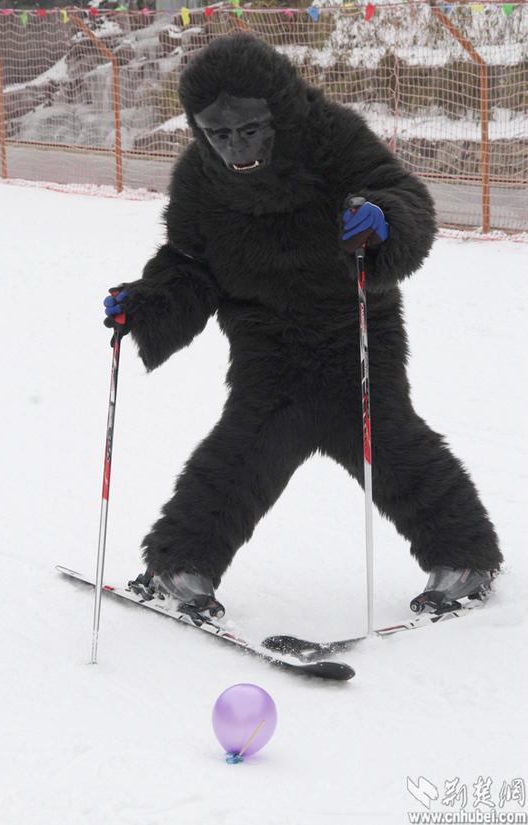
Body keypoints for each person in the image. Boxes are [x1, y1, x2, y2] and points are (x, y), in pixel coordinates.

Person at [104, 34, 501, 619]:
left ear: (279, 112)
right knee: (245, 450)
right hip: (268, 342)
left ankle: (464, 558)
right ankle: (179, 565)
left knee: (388, 443)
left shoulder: (333, 136)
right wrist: (145, 305)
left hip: (354, 331)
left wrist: (382, 221)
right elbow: (190, 261)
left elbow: (401, 194)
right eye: (218, 134)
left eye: (250, 129)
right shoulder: (198, 179)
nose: (236, 147)